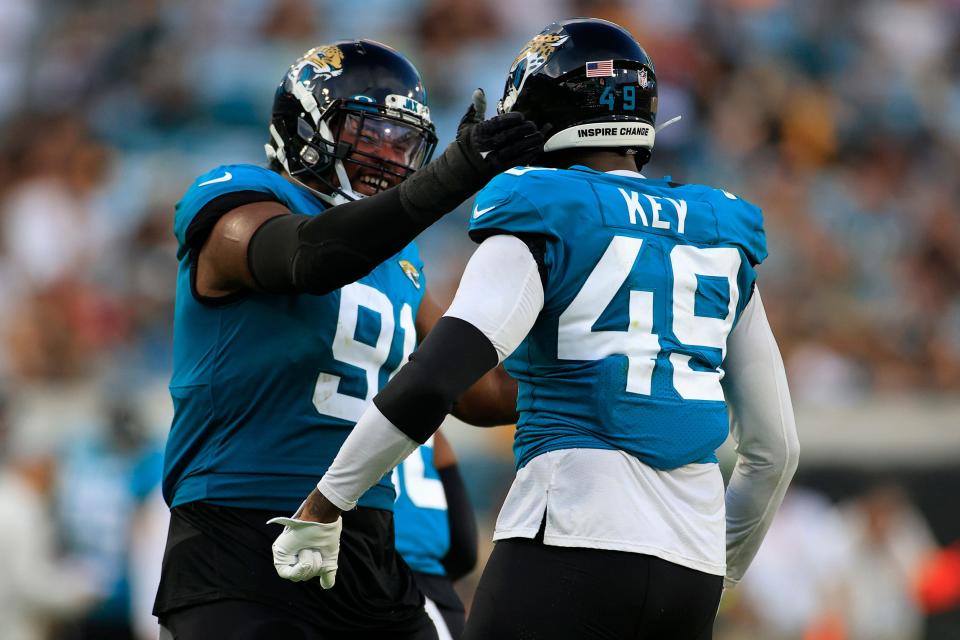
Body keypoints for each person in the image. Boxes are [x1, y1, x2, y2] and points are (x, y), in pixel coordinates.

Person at [271, 19, 801, 640]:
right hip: (690, 568)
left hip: (568, 537)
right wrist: (717, 570)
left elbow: (434, 380)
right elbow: (775, 450)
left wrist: (325, 504)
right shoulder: (720, 231)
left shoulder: (543, 206)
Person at [154, 40, 537, 640]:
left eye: (402, 142)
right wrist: (452, 178)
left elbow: (481, 391)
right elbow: (308, 257)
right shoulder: (237, 197)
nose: (388, 156)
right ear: (306, 127)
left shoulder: (400, 258)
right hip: (242, 531)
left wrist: (616, 356)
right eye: (369, 133)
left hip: (368, 542)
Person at [393, 430, 477, 640]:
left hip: (342, 593)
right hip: (428, 599)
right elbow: (465, 549)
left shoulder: (316, 419)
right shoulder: (433, 429)